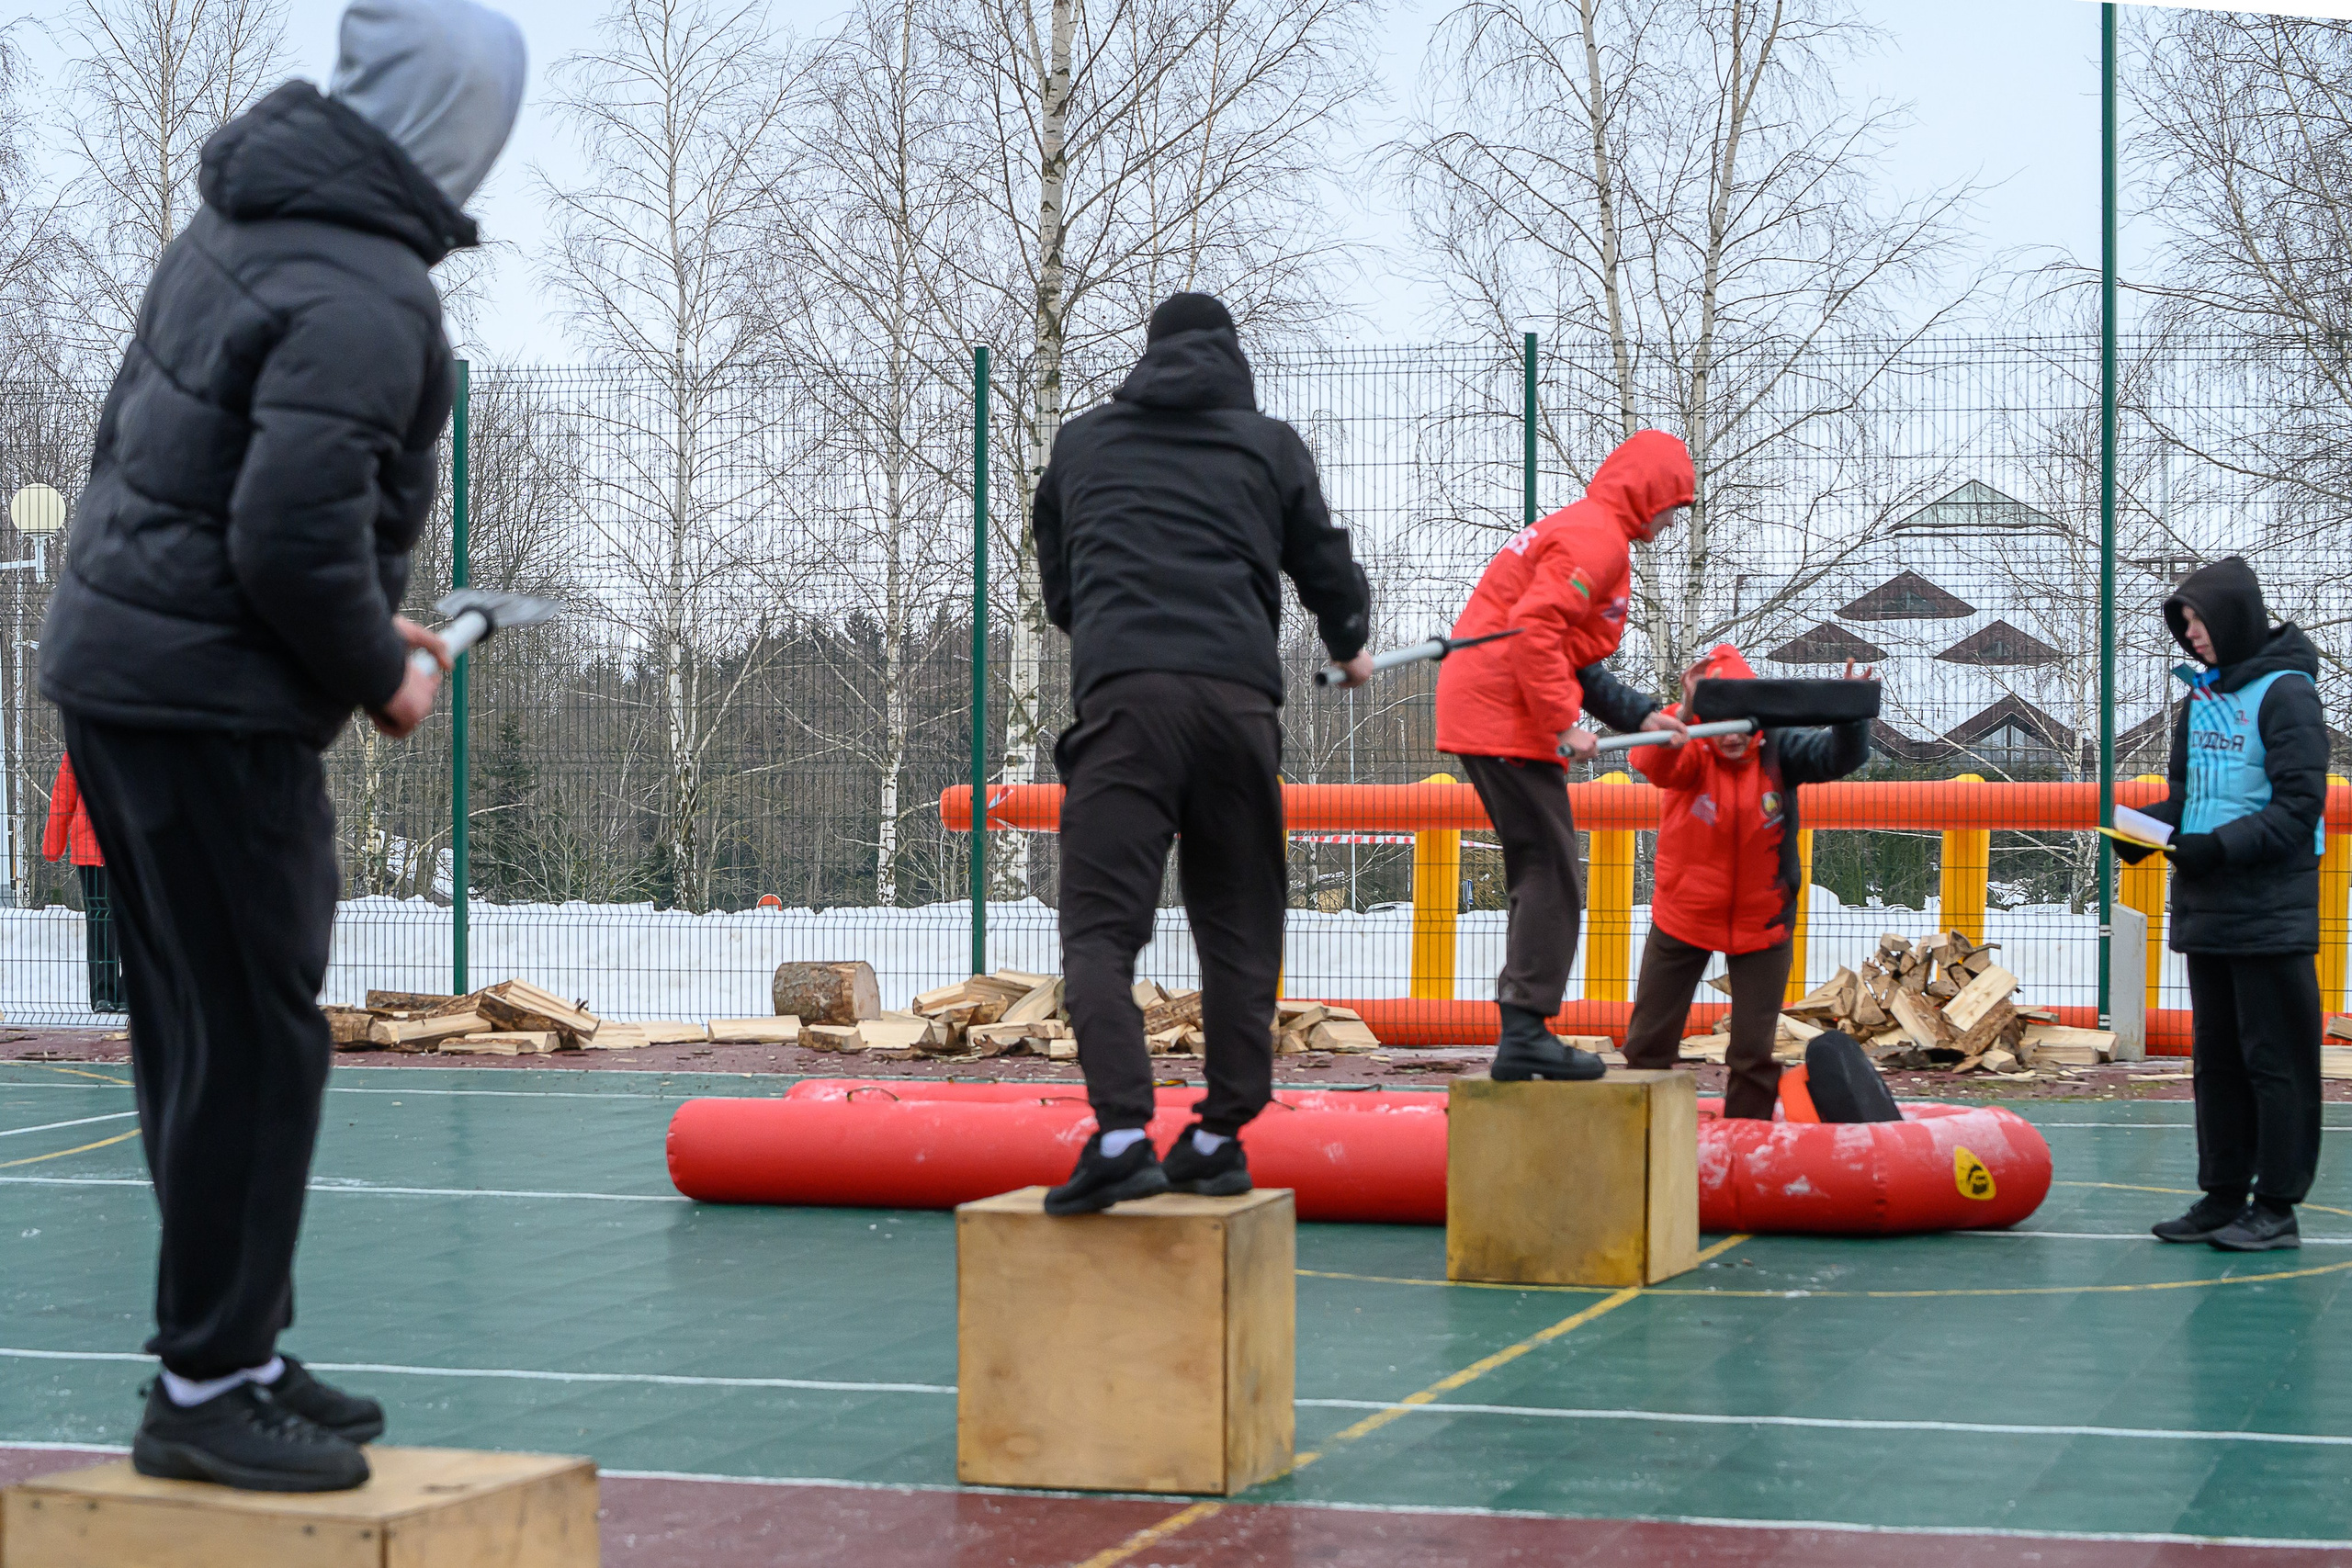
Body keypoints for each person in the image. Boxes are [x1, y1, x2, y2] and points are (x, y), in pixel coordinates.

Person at [37, 0, 525, 1491]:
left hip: (121, 672)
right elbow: (287, 538)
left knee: (196, 1029)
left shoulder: (238, 226)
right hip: (210, 704)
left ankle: (232, 1352)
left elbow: (180, 471)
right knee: (256, 1035)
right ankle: (204, 1387)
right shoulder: (370, 291)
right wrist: (383, 670)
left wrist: (363, 624)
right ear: (454, 125)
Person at [1034, 292, 1372, 1215]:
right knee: (1239, 925)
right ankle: (1220, 1136)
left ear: (1148, 356)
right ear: (1231, 358)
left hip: (1124, 706)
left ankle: (1119, 1135)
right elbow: (1325, 562)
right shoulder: (1268, 446)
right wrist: (1348, 643)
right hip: (1236, 709)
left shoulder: (1081, 445)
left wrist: (1117, 627)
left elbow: (1062, 589)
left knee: (1100, 931)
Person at [1433, 430, 1691, 1081]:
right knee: (1550, 873)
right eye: (1671, 507)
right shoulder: (1594, 540)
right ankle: (1525, 1031)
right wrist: (1561, 723)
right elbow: (1535, 632)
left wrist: (1639, 715)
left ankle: (1524, 1026)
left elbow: (1573, 655)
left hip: (1494, 704)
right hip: (1505, 711)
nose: (1670, 522)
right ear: (1648, 494)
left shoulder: (1589, 529)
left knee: (1540, 866)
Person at [2116, 557, 2326, 1252]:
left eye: (2200, 620)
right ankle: (2223, 1195)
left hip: (2269, 911)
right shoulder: (2200, 696)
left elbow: (2299, 808)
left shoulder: (2287, 693)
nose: (2192, 634)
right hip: (2207, 909)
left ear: (2234, 617)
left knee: (2277, 1063)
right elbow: (2188, 796)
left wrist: (2218, 847)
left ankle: (2277, 1206)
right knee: (2218, 1062)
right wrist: (2143, 830)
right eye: (2184, 624)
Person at [1619, 647, 1875, 1117]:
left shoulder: (1780, 749)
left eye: (1743, 722)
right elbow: (1650, 761)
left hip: (1763, 920)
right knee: (1648, 1043)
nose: (1733, 736)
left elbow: (1838, 756)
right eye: (1722, 721)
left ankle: (1749, 1141)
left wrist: (1850, 711)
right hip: (1685, 915)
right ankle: (1639, 1132)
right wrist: (1686, 712)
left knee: (1753, 1054)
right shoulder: (1690, 747)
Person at [43, 753, 124, 1014]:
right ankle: (112, 993)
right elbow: (64, 794)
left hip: (112, 848)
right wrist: (53, 845)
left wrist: (53, 846)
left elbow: (62, 796)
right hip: (104, 849)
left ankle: (108, 993)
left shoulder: (82, 743)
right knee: (112, 920)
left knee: (103, 920)